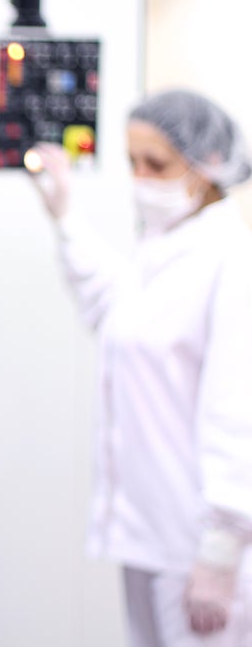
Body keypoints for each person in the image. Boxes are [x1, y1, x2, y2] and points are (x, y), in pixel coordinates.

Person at [29, 90, 252, 646]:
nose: (141, 178)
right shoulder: (161, 248)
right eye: (133, 162)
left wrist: (223, 545)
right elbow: (114, 310)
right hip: (150, 534)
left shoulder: (232, 259)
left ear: (208, 165)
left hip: (201, 544)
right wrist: (65, 217)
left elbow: (236, 408)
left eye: (157, 163)